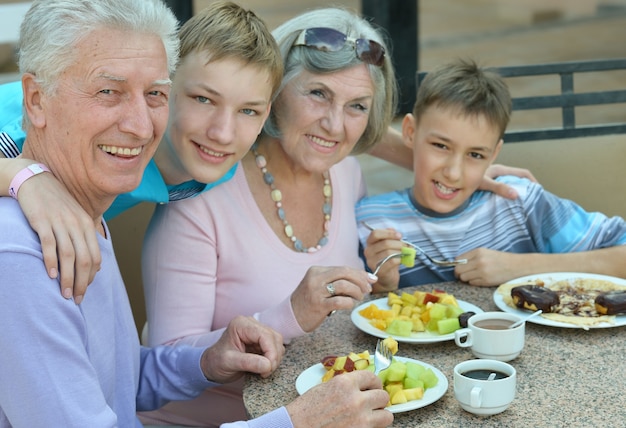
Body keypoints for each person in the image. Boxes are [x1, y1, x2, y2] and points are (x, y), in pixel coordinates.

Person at [0, 1, 393, 428]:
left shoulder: (88, 207)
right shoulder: (24, 254)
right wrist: (296, 423)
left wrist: (206, 361)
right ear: (35, 100)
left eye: (154, 94)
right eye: (107, 92)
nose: (140, 125)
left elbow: (117, 377)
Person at [139, 7, 400, 426]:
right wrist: (289, 314)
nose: (334, 125)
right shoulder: (198, 195)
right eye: (318, 94)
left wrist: (376, 278)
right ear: (274, 94)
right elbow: (165, 361)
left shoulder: (348, 174)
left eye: (357, 106)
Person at [355, 58, 626, 291]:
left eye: (475, 155)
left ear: (494, 154)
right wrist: (383, 285)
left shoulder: (518, 203)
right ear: (410, 133)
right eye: (440, 146)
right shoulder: (371, 222)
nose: (453, 172)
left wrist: (521, 267)